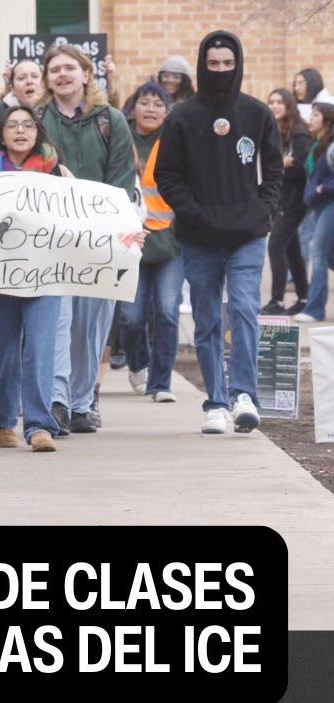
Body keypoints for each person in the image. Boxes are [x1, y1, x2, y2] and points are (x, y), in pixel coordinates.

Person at [154, 31, 283, 434]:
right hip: (199, 237)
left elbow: (275, 170)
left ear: (238, 63)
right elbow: (167, 175)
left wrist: (262, 211)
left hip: (246, 234)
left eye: (228, 63)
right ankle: (216, 402)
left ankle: (244, 393)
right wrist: (195, 215)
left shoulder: (257, 113)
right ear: (202, 65)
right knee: (208, 318)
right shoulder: (182, 117)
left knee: (244, 309)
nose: (222, 71)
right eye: (214, 64)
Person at [35, 44, 137, 435]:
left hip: (100, 238)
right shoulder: (38, 119)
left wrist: (108, 223)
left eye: (69, 68)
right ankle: (57, 401)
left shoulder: (110, 120)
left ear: (85, 74)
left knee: (92, 324)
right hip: (50, 238)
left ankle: (83, 400)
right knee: (57, 320)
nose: (62, 74)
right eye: (54, 69)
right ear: (47, 80)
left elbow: (121, 178)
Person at [0, 105, 69, 452]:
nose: (20, 130)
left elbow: (79, 218)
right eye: (12, 125)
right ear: (1, 132)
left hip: (45, 274)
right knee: (0, 350)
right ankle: (2, 420)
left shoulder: (57, 170)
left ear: (37, 131)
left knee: (42, 349)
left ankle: (39, 425)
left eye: (27, 125)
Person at [118, 81, 183, 404]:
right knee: (131, 317)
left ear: (167, 110)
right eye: (145, 102)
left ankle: (160, 383)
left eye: (159, 104)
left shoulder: (177, 137)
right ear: (135, 106)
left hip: (170, 241)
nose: (151, 109)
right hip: (131, 241)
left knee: (168, 311)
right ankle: (138, 364)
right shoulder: (119, 136)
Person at [262, 88, 311, 316]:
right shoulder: (275, 131)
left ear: (289, 104)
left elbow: (301, 169)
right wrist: (283, 164)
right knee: (292, 250)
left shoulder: (299, 133)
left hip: (295, 201)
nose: (274, 105)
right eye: (271, 101)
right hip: (281, 199)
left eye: (279, 101)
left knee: (275, 246)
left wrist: (279, 166)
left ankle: (277, 301)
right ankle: (304, 298)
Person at [294, 103, 334, 323]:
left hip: (330, 205)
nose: (311, 118)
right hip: (319, 207)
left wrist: (321, 188)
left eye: (316, 115)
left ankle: (314, 309)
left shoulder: (331, 147)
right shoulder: (317, 143)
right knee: (328, 256)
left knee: (318, 254)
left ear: (327, 121)